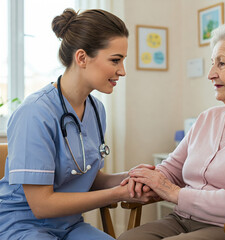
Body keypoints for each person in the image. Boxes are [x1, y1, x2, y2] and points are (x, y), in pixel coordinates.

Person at [0, 8, 157, 240]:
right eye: (115, 60)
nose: (122, 71)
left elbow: (89, 177)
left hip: (69, 225)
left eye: (122, 61)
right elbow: (42, 205)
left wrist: (134, 178)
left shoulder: (96, 110)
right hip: (23, 225)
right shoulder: (34, 113)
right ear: (82, 58)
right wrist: (118, 193)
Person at [118, 21, 225, 240]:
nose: (211, 74)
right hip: (181, 219)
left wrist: (173, 192)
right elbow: (173, 168)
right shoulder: (207, 118)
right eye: (212, 64)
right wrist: (149, 179)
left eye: (221, 64)